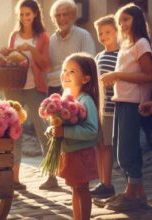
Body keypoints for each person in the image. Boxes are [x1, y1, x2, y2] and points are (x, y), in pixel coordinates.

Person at [99, 3, 152, 211]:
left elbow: (149, 75)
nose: (122, 24)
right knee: (119, 148)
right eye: (120, 21)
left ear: (137, 20)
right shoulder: (126, 45)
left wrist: (118, 75)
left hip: (134, 103)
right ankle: (138, 194)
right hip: (121, 101)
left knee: (126, 151)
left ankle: (131, 194)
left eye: (126, 20)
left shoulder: (141, 44)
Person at [1, 0, 50, 191]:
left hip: (34, 87)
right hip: (14, 87)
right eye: (21, 14)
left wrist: (30, 49)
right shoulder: (14, 35)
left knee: (43, 130)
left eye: (27, 14)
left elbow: (45, 64)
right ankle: (14, 178)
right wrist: (7, 52)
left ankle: (51, 176)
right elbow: (9, 60)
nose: (24, 18)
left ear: (35, 14)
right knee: (15, 132)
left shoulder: (42, 37)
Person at [51, 53, 99, 220]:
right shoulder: (66, 98)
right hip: (69, 152)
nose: (66, 74)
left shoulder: (86, 101)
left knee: (82, 189)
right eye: (65, 70)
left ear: (85, 79)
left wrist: (65, 132)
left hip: (82, 154)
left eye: (72, 71)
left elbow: (92, 131)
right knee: (74, 188)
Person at [90, 15, 118, 198]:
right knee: (99, 145)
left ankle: (107, 184)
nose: (103, 36)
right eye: (100, 33)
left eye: (107, 32)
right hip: (99, 108)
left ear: (116, 32)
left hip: (111, 108)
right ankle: (101, 181)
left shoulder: (120, 55)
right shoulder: (99, 56)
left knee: (106, 146)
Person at [47, 0, 96, 96]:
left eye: (65, 14)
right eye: (57, 15)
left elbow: (89, 65)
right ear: (53, 19)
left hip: (75, 89)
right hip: (54, 88)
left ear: (73, 16)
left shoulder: (84, 36)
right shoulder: (51, 39)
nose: (61, 18)